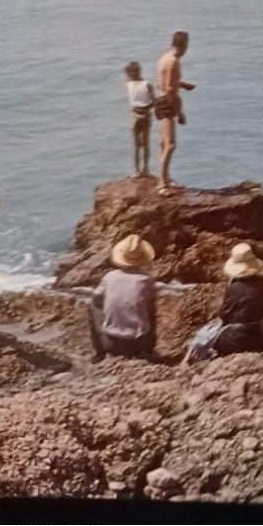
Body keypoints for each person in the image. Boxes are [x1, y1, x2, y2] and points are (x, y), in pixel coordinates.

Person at [185, 243, 263, 362]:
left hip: (240, 340)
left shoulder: (234, 287)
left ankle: (189, 361)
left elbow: (225, 314)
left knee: (203, 336)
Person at [89, 234, 158, 362]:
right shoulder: (147, 280)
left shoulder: (109, 276)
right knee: (150, 309)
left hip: (110, 344)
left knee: (92, 305)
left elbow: (96, 298)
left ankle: (99, 353)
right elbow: (150, 312)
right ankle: (150, 350)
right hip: (138, 344)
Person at [155, 32, 195, 195]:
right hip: (166, 103)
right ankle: (162, 183)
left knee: (164, 143)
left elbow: (164, 82)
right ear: (184, 46)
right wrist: (180, 113)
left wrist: (183, 84)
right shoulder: (173, 62)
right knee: (170, 144)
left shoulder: (165, 58)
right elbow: (170, 90)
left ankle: (166, 176)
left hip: (160, 100)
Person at [124, 62, 156, 176]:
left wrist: (146, 107)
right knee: (137, 144)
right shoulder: (130, 83)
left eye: (130, 72)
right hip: (136, 114)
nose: (129, 75)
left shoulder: (147, 84)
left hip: (143, 114)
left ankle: (145, 169)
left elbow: (155, 100)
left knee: (145, 143)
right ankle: (137, 170)